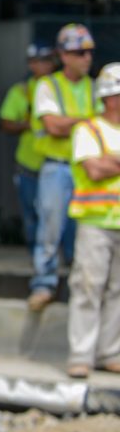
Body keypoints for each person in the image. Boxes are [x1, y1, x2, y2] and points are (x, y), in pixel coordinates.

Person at [28, 23, 98, 312]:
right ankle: (43, 284)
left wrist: (72, 121)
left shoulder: (95, 87)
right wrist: (87, 121)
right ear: (63, 55)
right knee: (51, 226)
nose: (86, 58)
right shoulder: (48, 85)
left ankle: (76, 285)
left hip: (88, 170)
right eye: (79, 53)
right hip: (57, 168)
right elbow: (53, 126)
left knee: (84, 232)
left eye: (89, 52)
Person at [64, 62, 120, 378]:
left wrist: (111, 158)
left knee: (118, 292)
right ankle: (81, 355)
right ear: (111, 97)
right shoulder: (89, 130)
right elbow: (94, 170)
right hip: (95, 222)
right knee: (88, 288)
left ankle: (110, 353)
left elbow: (104, 164)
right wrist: (107, 162)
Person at [0, 43, 56, 253]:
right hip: (28, 163)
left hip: (55, 162)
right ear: (31, 64)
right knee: (31, 214)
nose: (44, 65)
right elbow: (5, 123)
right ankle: (36, 256)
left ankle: (63, 258)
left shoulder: (58, 88)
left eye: (48, 60)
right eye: (39, 61)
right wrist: (26, 124)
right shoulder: (21, 91)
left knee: (57, 216)